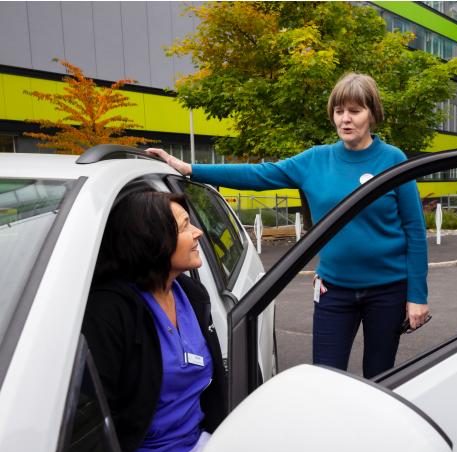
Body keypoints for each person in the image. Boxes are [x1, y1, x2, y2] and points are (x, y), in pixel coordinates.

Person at [147, 72, 428, 379]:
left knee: (380, 376)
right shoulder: (316, 160)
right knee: (324, 377)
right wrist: (190, 169)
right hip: (334, 290)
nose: (345, 119)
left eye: (355, 111)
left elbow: (415, 231)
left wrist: (418, 296)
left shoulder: (393, 159)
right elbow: (259, 175)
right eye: (339, 111)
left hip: (387, 291)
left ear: (372, 114)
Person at [82, 191, 226, 452]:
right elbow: (90, 426)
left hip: (202, 444)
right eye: (185, 226)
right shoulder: (107, 312)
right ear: (151, 238)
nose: (198, 233)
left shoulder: (191, 293)